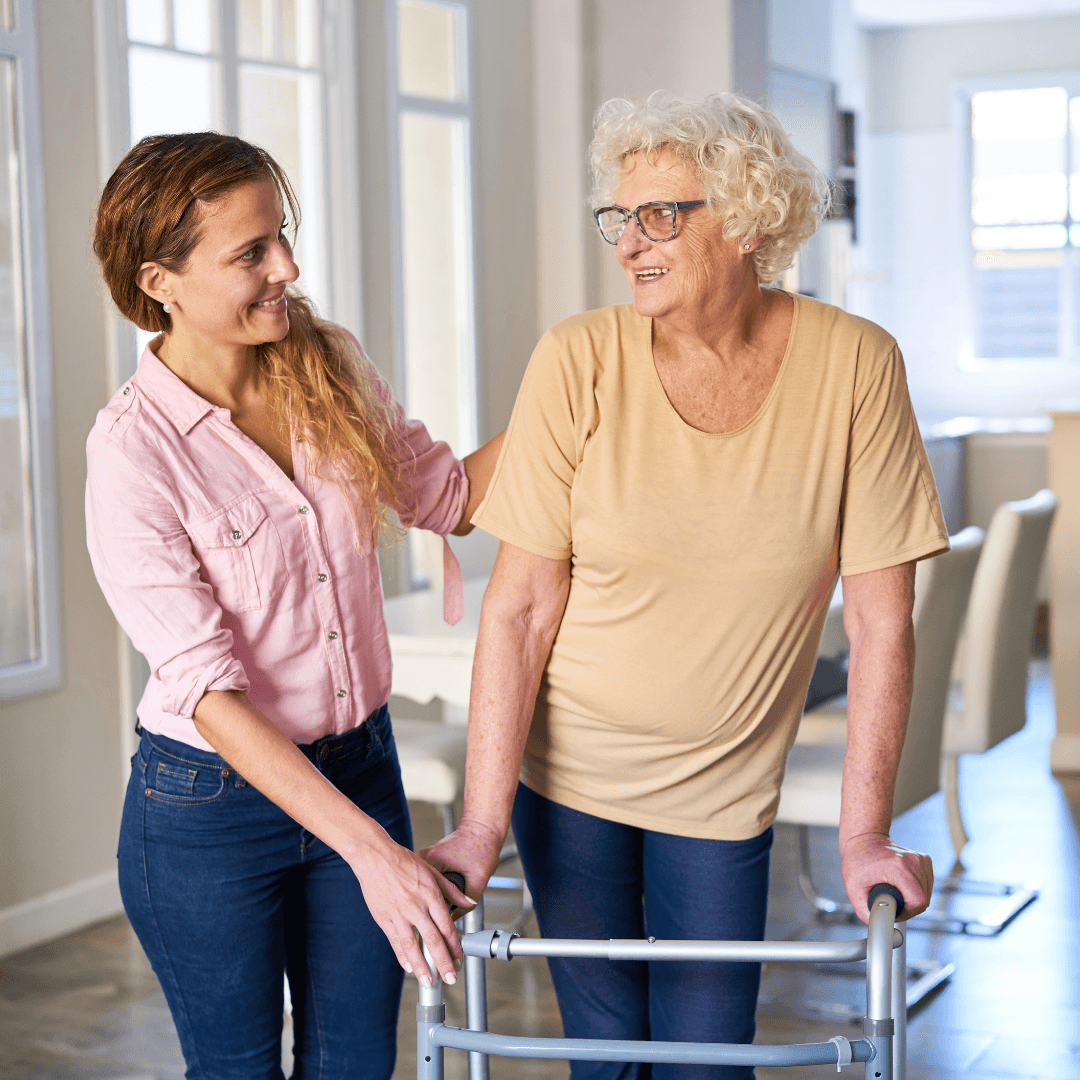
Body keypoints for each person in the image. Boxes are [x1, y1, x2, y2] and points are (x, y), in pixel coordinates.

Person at [425, 92, 947, 1079]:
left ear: (747, 223)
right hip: (566, 779)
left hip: (723, 791)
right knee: (609, 1059)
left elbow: (884, 623)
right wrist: (481, 825)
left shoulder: (855, 367)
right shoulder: (578, 359)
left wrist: (866, 833)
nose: (628, 243)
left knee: (708, 1062)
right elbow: (521, 607)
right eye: (618, 219)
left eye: (662, 215)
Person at [87, 132, 503, 1080]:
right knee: (236, 1071)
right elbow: (207, 692)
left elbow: (448, 498)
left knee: (356, 1065)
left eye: (282, 236)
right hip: (208, 812)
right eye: (250, 254)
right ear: (161, 280)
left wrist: (583, 380)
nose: (288, 268)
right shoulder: (133, 453)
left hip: (360, 764)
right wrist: (376, 855)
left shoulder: (329, 364)